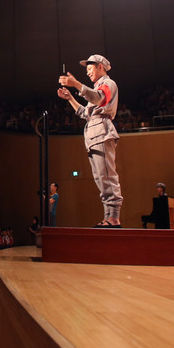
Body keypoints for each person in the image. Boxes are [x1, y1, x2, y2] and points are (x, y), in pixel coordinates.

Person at [58, 54, 122, 227]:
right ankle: (108, 216)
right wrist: (70, 98)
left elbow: (99, 98)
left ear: (100, 66)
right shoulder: (97, 87)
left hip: (102, 131)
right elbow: (85, 113)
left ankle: (114, 217)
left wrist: (76, 84)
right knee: (101, 177)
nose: (88, 73)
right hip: (93, 133)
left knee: (107, 176)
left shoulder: (108, 84)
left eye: (89, 69)